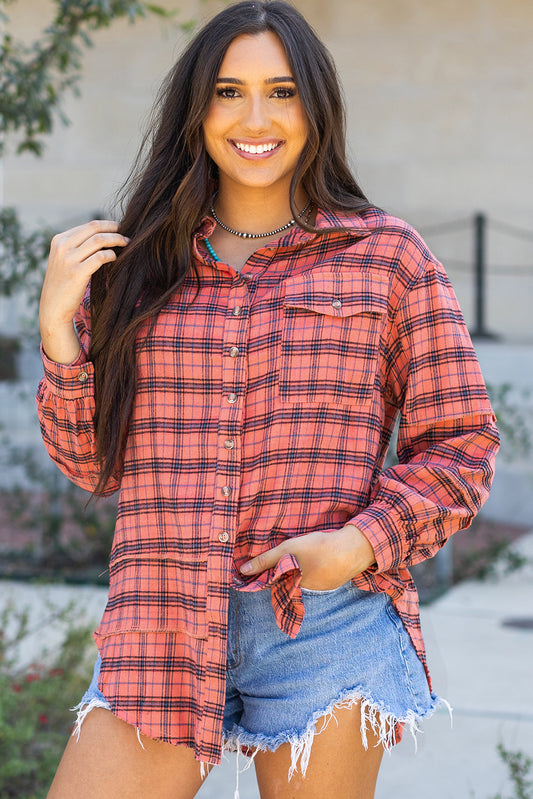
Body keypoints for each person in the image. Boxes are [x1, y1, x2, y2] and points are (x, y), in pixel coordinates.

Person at [37, 2, 499, 797]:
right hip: (161, 618)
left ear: (314, 106)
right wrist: (57, 331)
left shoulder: (384, 257)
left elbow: (462, 443)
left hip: (325, 623)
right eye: (229, 91)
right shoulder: (134, 267)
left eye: (281, 92)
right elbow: (92, 466)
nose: (256, 117)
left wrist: (355, 545)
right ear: (197, 109)